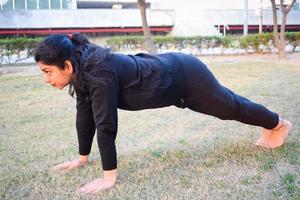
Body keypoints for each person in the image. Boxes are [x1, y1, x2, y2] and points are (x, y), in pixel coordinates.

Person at [34, 33, 292, 194]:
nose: (46, 79)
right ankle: (271, 124)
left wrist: (108, 178)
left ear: (67, 65)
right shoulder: (84, 71)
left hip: (185, 77)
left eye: (48, 72)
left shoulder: (98, 73)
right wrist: (82, 159)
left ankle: (278, 124)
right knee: (231, 103)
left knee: (231, 108)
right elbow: (85, 116)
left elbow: (105, 126)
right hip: (172, 77)